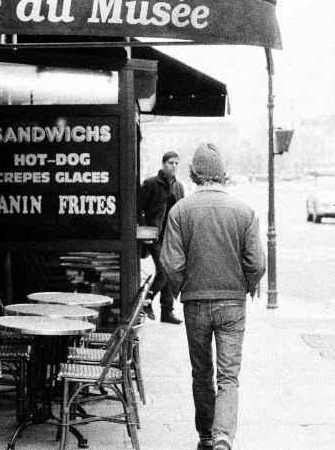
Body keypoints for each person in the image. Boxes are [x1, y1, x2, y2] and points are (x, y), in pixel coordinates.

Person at [160, 142, 266, 450]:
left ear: (193, 174)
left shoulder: (180, 211)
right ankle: (223, 437)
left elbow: (171, 262)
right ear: (224, 175)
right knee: (229, 376)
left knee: (201, 373)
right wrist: (249, 283)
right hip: (232, 302)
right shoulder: (244, 212)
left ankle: (206, 435)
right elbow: (256, 262)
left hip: (195, 302)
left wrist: (182, 287)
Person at [137, 150, 185, 324]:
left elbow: (181, 211)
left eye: (176, 163)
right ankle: (146, 301)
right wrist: (143, 228)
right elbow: (138, 208)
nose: (174, 166)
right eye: (171, 163)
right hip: (154, 236)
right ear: (163, 165)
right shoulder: (151, 183)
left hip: (171, 236)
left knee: (170, 273)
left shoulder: (178, 186)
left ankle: (167, 312)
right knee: (163, 271)